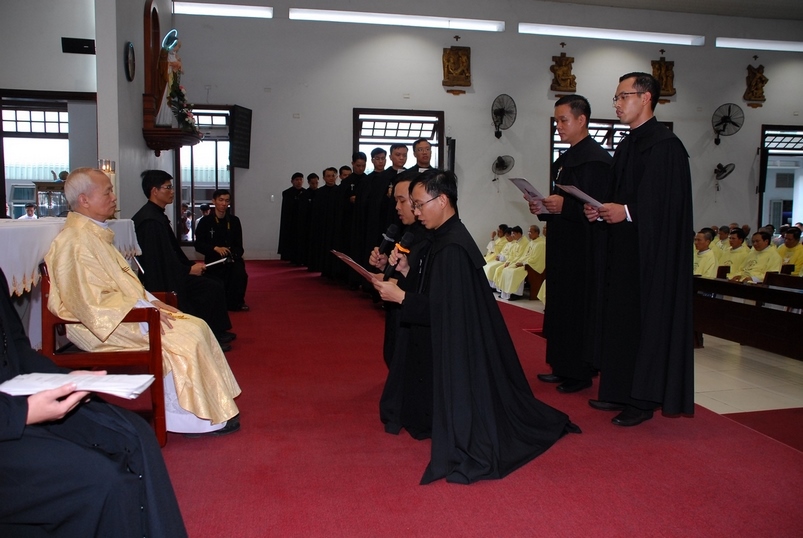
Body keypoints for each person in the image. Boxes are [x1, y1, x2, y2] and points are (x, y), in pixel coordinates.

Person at [373, 170, 579, 485]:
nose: (415, 212)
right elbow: (437, 290)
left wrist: (401, 297)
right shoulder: (442, 236)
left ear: (442, 200)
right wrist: (407, 272)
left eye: (419, 204)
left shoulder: (452, 247)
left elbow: (447, 310)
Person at [45, 168, 242, 436]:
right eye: (108, 192)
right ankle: (193, 418)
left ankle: (213, 404)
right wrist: (146, 312)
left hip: (125, 313)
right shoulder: (75, 242)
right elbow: (89, 302)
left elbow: (124, 284)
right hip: (104, 324)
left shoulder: (92, 234)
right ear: (84, 200)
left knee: (197, 326)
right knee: (184, 338)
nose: (114, 197)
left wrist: (153, 303)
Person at [0, 267, 188, 537]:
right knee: (101, 480)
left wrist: (62, 379)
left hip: (17, 398)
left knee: (133, 432)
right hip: (11, 416)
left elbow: (16, 346)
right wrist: (23, 412)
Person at [583, 72, 694, 426]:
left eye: (623, 96)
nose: (617, 104)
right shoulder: (627, 145)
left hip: (650, 257)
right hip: (624, 251)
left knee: (643, 323)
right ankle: (618, 390)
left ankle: (641, 400)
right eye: (616, 98)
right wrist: (600, 210)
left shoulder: (666, 146)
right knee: (621, 323)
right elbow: (619, 195)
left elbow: (667, 206)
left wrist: (627, 212)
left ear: (645, 98)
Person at [530, 94, 613, 394]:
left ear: (582, 119)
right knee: (560, 307)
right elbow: (562, 205)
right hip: (562, 245)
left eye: (564, 120)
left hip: (584, 249)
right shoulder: (565, 160)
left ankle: (579, 372)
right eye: (557, 121)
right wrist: (543, 207)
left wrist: (564, 206)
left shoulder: (597, 161)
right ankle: (562, 366)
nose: (559, 127)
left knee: (578, 309)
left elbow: (600, 209)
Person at [132, 170, 236, 348]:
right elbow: (160, 260)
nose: (172, 191)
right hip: (164, 280)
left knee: (215, 283)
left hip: (172, 271)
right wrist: (188, 270)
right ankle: (209, 338)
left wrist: (190, 265)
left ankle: (217, 331)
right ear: (154, 191)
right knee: (208, 288)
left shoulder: (156, 215)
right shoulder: (150, 221)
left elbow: (171, 253)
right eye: (168, 187)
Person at [369, 176, 432, 433]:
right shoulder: (408, 233)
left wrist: (396, 280)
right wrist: (386, 267)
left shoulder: (428, 237)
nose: (398, 207)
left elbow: (424, 285)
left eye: (402, 201)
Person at [194, 189, 249, 311]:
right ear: (214, 201)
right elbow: (198, 244)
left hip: (231, 259)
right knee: (216, 281)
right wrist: (215, 248)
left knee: (240, 274)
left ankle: (237, 302)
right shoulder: (205, 221)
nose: (224, 204)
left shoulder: (234, 221)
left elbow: (239, 247)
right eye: (221, 200)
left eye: (227, 201)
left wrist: (232, 254)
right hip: (214, 259)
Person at [494, 224, 545, 301]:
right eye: (528, 231)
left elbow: (535, 259)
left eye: (531, 232)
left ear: (537, 233)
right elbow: (524, 255)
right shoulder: (532, 242)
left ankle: (516, 294)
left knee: (515, 272)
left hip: (531, 266)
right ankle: (507, 293)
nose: (528, 233)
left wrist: (523, 263)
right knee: (506, 270)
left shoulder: (540, 244)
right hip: (524, 262)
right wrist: (518, 262)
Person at [278, 172, 306, 262]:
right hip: (290, 221)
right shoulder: (287, 193)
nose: (299, 182)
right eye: (297, 180)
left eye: (300, 179)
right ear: (292, 181)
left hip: (302, 221)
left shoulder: (305, 193)